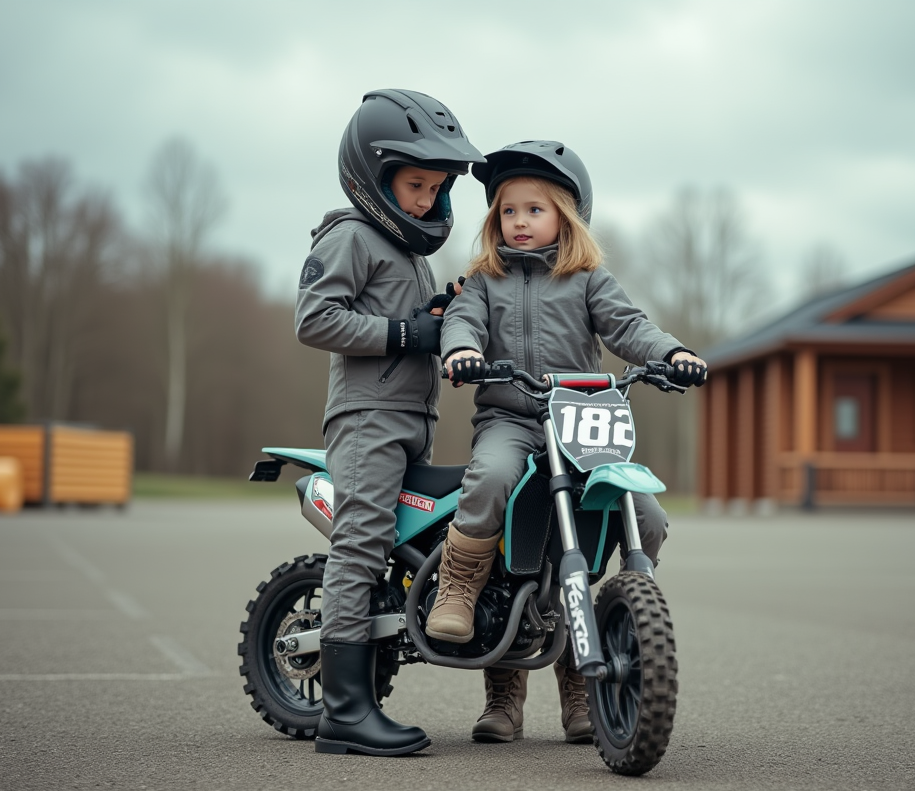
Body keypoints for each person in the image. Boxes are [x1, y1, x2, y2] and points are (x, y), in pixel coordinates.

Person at [425, 141, 706, 744]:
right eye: (508, 212)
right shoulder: (483, 281)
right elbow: (460, 321)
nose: (519, 222)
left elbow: (630, 327)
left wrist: (672, 353)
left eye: (534, 210)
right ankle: (462, 595)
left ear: (566, 217)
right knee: (493, 479)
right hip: (512, 421)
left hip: (581, 426)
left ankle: (588, 680)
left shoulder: (586, 280)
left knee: (646, 517)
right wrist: (464, 351)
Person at [295, 89, 483, 756]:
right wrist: (407, 331)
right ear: (371, 176)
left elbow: (403, 322)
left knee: (405, 550)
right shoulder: (350, 234)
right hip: (368, 418)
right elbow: (315, 318)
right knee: (364, 543)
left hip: (410, 418)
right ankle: (344, 711)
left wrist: (440, 312)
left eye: (437, 188)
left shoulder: (407, 249)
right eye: (414, 185)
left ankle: (371, 674)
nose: (427, 201)